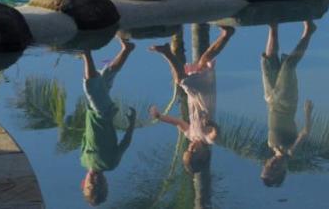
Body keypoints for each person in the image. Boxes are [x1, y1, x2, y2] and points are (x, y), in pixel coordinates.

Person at [149, 25, 235, 176]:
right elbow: (217, 132)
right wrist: (212, 125)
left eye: (189, 149)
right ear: (204, 155)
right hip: (203, 93)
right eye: (194, 151)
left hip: (196, 95)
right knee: (180, 80)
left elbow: (179, 123)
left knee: (204, 59)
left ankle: (226, 34)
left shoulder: (191, 135)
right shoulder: (208, 139)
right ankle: (167, 52)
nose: (192, 147)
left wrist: (160, 117)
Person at [78, 36, 136, 206]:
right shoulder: (110, 164)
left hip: (93, 112)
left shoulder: (83, 160)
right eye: (99, 183)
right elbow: (125, 143)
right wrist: (131, 123)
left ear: (84, 183)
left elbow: (85, 135)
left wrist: (88, 113)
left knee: (107, 75)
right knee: (91, 87)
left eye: (91, 184)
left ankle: (127, 49)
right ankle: (85, 51)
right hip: (104, 113)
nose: (95, 180)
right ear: (105, 183)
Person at [259, 21, 316, 187]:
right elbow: (305, 133)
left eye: (267, 167)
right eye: (273, 169)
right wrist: (308, 112)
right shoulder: (290, 151)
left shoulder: (272, 146)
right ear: (283, 170)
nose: (270, 164)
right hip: (286, 102)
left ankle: (273, 25)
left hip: (270, 100)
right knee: (289, 65)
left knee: (269, 60)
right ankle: (308, 32)